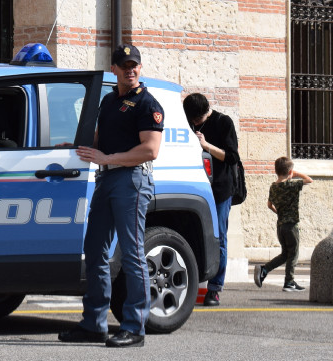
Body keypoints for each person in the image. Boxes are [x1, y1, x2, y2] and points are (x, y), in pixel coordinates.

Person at [59, 44, 164, 348]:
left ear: (139, 69)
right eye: (124, 65)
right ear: (114, 69)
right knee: (94, 249)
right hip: (106, 180)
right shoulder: (108, 100)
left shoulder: (147, 103)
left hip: (131, 180)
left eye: (135, 65)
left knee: (132, 254)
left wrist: (107, 158)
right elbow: (98, 139)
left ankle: (135, 327)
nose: (130, 69)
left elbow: (150, 150)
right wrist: (73, 145)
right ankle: (93, 324)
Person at [182, 93, 239, 306]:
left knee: (220, 238)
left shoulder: (224, 123)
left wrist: (206, 145)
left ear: (205, 112)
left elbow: (232, 157)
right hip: (195, 187)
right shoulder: (189, 122)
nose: (194, 124)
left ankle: (215, 288)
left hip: (220, 190)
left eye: (196, 120)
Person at [254, 156, 313, 292]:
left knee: (285, 254)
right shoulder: (292, 185)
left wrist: (279, 213)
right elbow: (309, 180)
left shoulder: (273, 187)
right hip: (291, 225)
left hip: (280, 225)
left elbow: (269, 205)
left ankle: (265, 269)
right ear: (290, 172)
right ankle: (289, 282)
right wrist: (295, 173)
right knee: (293, 253)